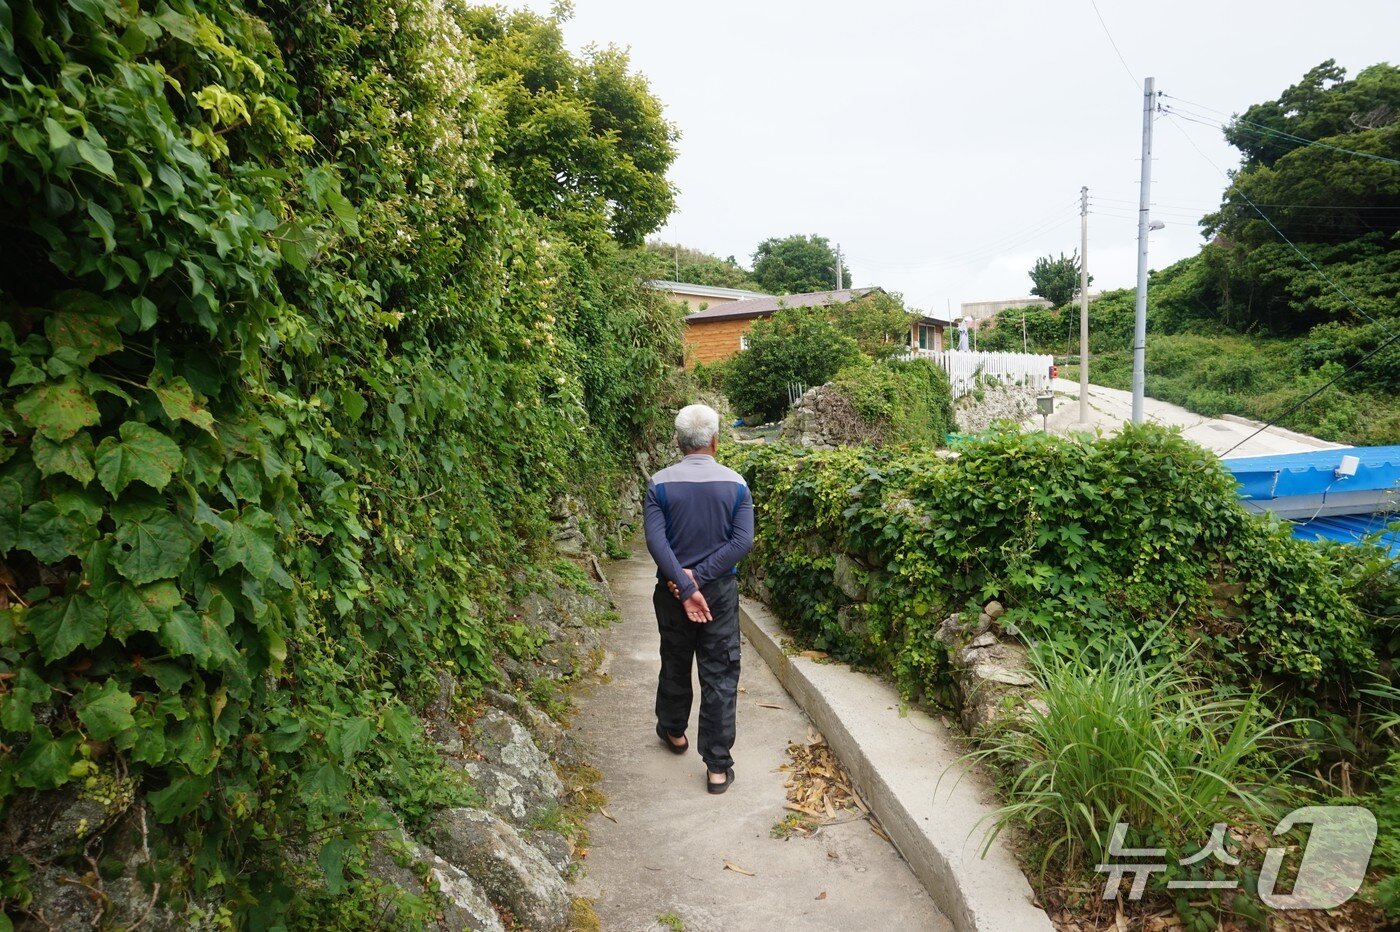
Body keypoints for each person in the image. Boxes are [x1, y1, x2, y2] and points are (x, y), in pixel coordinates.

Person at [643, 404, 754, 794]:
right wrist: (701, 580)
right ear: (715, 441)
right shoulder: (737, 485)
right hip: (718, 593)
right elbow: (742, 541)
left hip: (672, 592)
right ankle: (717, 768)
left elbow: (656, 542)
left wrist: (684, 585)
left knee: (675, 660)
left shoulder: (658, 484)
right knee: (720, 672)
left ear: (679, 442)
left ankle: (674, 732)